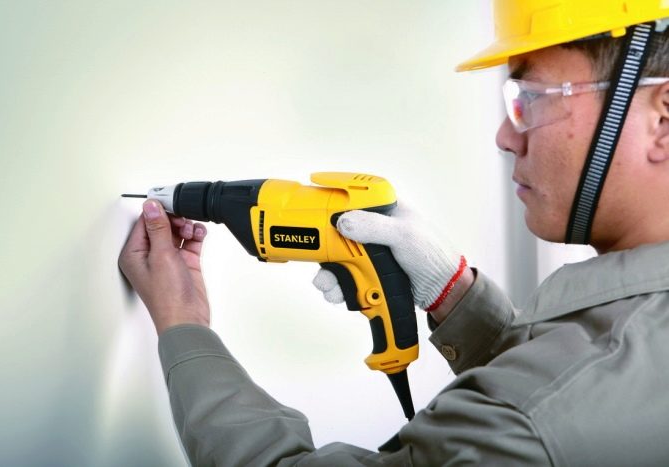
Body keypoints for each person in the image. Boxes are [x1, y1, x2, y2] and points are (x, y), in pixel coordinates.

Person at [119, 1, 669, 465]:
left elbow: (540, 405)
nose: (505, 136)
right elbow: (565, 383)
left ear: (661, 118)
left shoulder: (525, 422)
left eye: (532, 99)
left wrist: (183, 326)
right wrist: (454, 293)